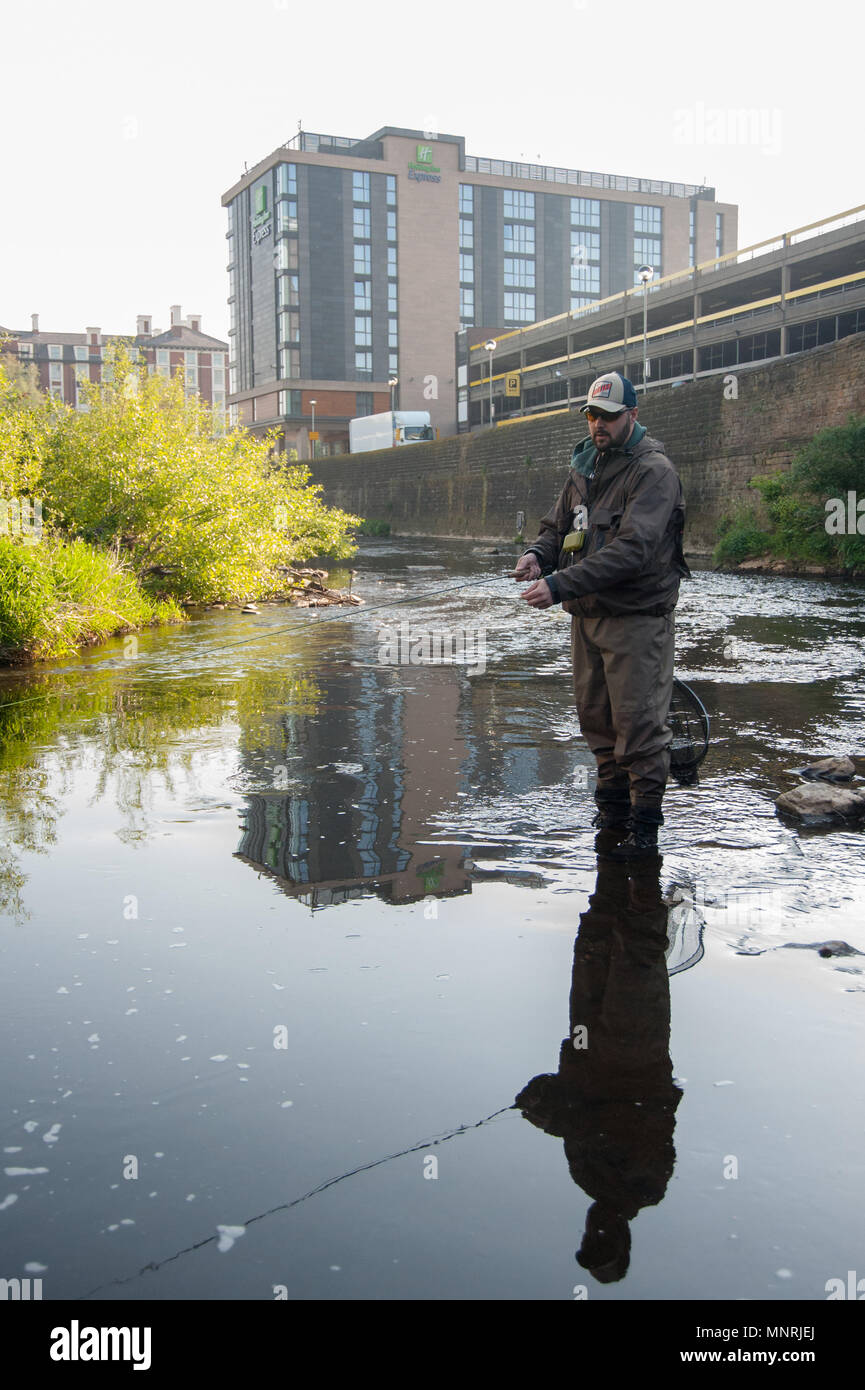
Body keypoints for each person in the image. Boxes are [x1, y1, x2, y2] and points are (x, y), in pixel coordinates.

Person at [515, 372, 689, 859]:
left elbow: (633, 551)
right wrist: (538, 556)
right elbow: (558, 528)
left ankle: (646, 831)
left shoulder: (653, 472)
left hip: (636, 619)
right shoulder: (584, 468)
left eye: (609, 417)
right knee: (597, 723)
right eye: (592, 415)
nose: (598, 424)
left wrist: (557, 585)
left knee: (638, 728)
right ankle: (611, 817)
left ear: (631, 416)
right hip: (586, 618)